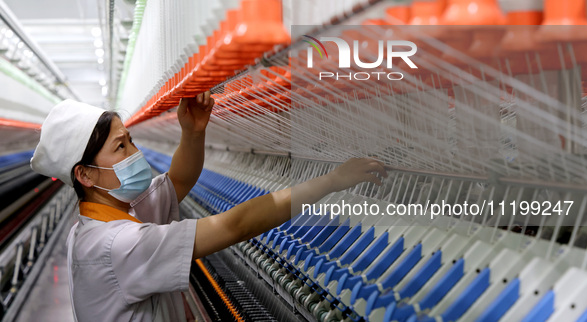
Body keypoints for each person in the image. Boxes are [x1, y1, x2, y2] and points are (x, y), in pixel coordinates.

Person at [30, 93, 386, 322]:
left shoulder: (114, 214)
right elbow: (237, 226)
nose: (134, 153)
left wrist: (193, 132)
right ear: (86, 175)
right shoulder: (117, 245)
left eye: (131, 140)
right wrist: (331, 181)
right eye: (120, 147)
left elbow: (178, 181)